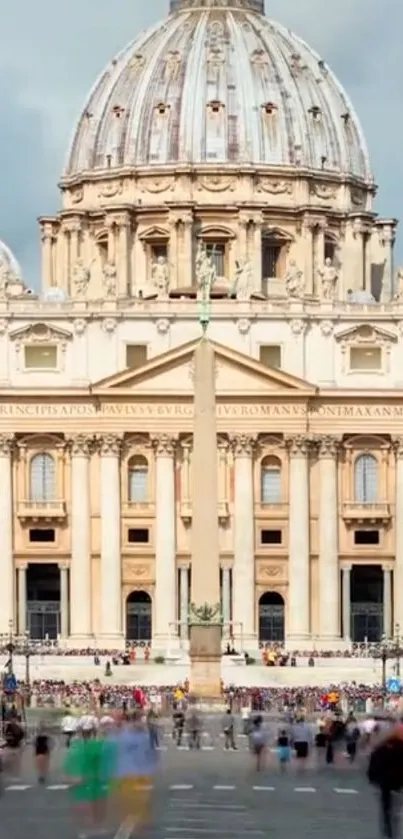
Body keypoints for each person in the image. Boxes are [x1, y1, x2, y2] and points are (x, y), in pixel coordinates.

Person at [111, 709, 159, 839]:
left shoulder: (128, 733)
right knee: (135, 806)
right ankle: (131, 829)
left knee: (136, 807)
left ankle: (131, 829)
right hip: (132, 773)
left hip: (132, 772)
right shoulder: (134, 733)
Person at [64, 715, 111, 839]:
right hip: (94, 781)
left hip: (83, 781)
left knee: (84, 809)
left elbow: (69, 764)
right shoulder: (98, 745)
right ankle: (93, 829)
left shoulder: (75, 745)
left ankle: (85, 831)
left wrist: (71, 779)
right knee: (95, 809)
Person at [368, 724, 403, 837]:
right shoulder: (401, 747)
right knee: (396, 808)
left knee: (386, 808)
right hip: (398, 783)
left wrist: (373, 778)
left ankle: (388, 830)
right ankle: (393, 828)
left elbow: (373, 764)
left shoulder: (381, 748)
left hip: (385, 783)